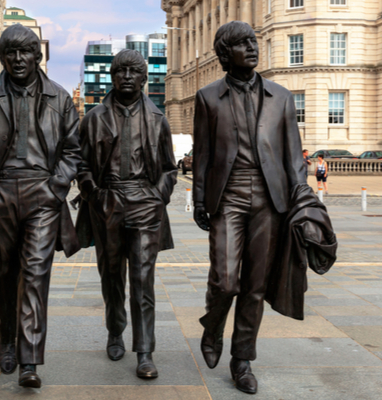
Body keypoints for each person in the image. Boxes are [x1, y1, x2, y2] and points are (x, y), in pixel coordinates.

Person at [192, 21, 312, 395]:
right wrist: (199, 198)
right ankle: (213, 325)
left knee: (255, 285)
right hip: (227, 197)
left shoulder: (282, 97)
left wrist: (302, 201)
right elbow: (203, 155)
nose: (253, 47)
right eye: (243, 43)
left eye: (253, 41)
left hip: (269, 199)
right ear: (226, 54)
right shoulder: (208, 97)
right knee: (226, 280)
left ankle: (242, 359)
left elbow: (294, 157)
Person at [0, 24, 81, 389]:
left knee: (34, 275)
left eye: (25, 51)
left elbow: (73, 150)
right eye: (10, 52)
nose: (17, 59)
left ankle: (29, 358)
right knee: (4, 275)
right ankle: (6, 338)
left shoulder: (60, 99)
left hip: (42, 195)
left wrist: (56, 187)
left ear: (37, 55)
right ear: (2, 58)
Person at [74, 49, 178, 379]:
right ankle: (115, 329)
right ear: (111, 76)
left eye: (134, 71)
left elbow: (168, 168)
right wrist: (93, 192)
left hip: (145, 202)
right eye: (121, 71)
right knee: (112, 275)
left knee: (143, 279)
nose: (128, 76)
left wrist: (157, 196)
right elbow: (80, 163)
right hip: (107, 201)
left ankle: (145, 350)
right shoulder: (93, 119)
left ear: (145, 79)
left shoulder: (158, 119)